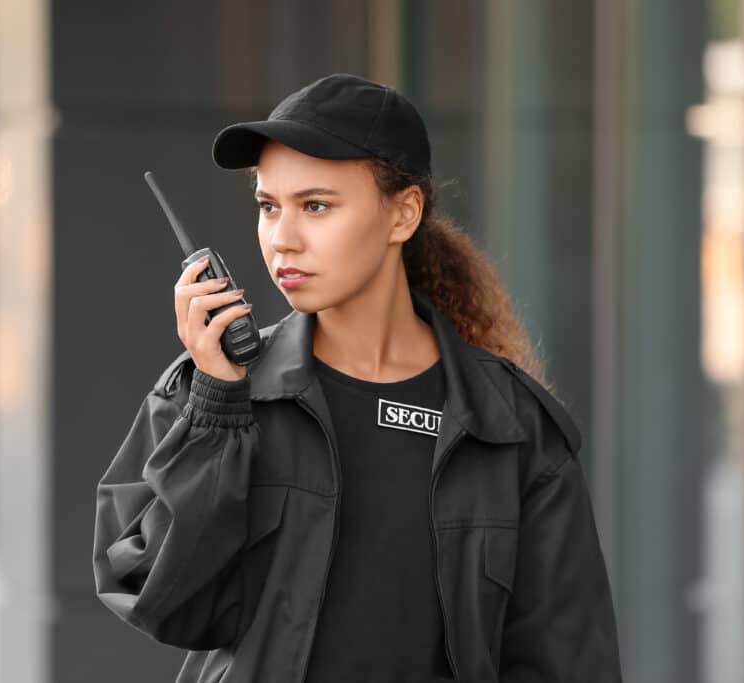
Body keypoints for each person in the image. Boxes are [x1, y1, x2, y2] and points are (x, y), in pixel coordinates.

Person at [93, 73, 622, 683]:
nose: (282, 239)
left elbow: (567, 660)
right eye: (269, 207)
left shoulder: (512, 428)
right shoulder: (214, 391)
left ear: (403, 214)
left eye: (316, 205)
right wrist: (217, 409)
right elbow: (161, 603)